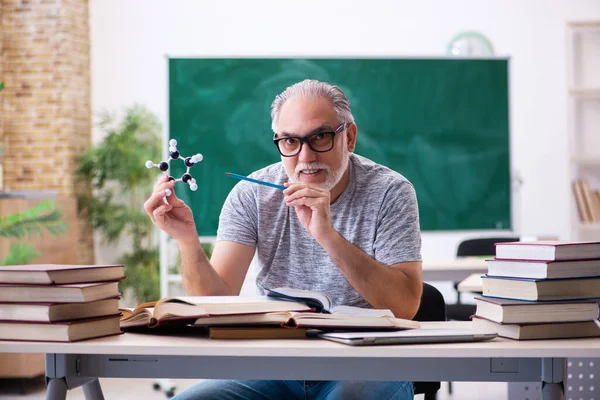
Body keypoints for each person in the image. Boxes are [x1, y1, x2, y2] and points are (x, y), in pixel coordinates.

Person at [144, 79, 423, 400]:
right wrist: (187, 241)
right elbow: (215, 302)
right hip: (274, 362)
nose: (305, 157)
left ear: (349, 137)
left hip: (366, 362)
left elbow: (404, 307)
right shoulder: (253, 193)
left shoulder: (390, 192)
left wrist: (327, 236)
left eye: (320, 137)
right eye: (290, 141)